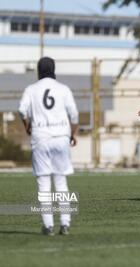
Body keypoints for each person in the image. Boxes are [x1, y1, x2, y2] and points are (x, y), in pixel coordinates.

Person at [18, 57, 79, 235]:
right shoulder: (63, 89)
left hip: (41, 137)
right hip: (61, 137)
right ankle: (65, 224)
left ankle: (48, 226)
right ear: (54, 70)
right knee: (61, 181)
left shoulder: (31, 89)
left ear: (38, 70)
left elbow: (22, 110)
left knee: (43, 183)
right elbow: (74, 115)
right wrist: (73, 134)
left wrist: (27, 127)